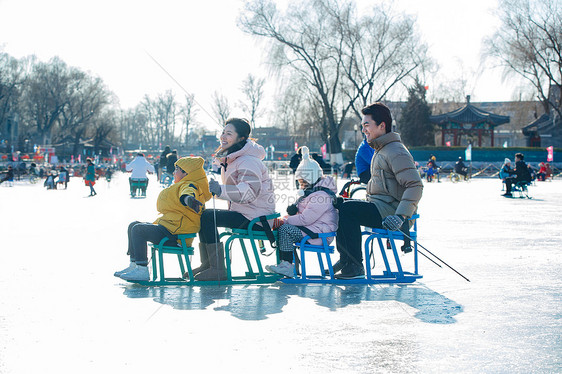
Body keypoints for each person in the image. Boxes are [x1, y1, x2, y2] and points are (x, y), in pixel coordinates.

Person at [335, 102, 423, 279]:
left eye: (367, 125)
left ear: (382, 125)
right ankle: (346, 259)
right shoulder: (381, 149)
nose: (364, 130)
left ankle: (355, 264)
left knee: (349, 210)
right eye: (362, 126)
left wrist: (400, 216)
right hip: (380, 207)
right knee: (339, 204)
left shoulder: (396, 151)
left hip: (393, 214)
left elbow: (415, 185)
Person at [194, 118, 276, 281]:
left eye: (229, 134)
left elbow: (249, 192)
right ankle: (209, 264)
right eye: (223, 133)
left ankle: (217, 268)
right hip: (246, 213)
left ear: (241, 138)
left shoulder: (249, 161)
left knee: (209, 217)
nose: (223, 137)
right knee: (205, 215)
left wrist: (220, 190)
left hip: (257, 219)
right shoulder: (234, 160)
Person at [115, 157, 212, 281]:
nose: (173, 172)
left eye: (177, 169)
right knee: (133, 225)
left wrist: (189, 200)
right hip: (169, 229)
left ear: (186, 173)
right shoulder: (182, 184)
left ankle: (142, 269)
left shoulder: (189, 185)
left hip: (176, 235)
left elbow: (187, 193)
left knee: (138, 229)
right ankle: (134, 265)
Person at [265, 146, 338, 277]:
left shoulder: (322, 196)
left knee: (285, 230)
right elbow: (302, 215)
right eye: (299, 182)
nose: (301, 186)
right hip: (312, 229)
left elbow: (306, 219)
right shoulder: (311, 193)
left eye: (303, 182)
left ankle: (287, 265)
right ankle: (290, 264)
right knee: (283, 229)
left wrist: (284, 221)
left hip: (320, 234)